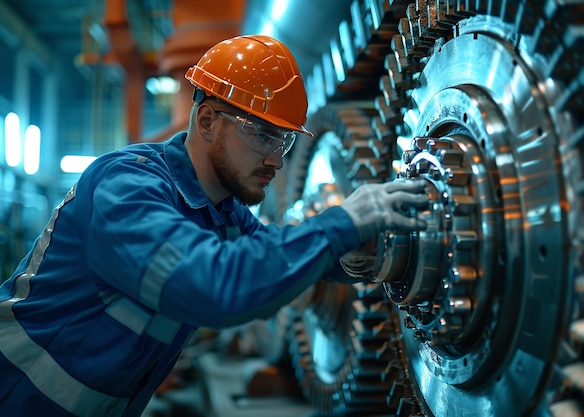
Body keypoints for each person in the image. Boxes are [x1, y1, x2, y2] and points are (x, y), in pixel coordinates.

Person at [0, 35, 427, 416]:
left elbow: (276, 255)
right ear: (206, 121)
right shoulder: (126, 186)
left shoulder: (219, 211)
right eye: (262, 134)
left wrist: (373, 249)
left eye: (284, 140)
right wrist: (340, 222)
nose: (276, 159)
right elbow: (215, 286)